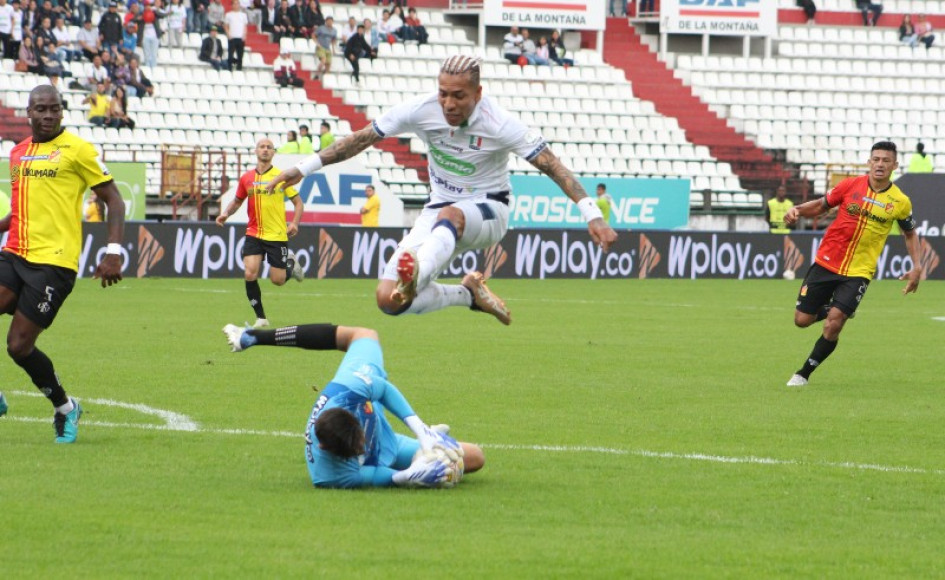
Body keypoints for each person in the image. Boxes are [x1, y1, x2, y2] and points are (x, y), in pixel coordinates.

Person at [267, 55, 617, 325]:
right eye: (443, 94)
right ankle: (468, 295)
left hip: (488, 210)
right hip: (438, 212)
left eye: (459, 96)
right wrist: (303, 168)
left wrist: (592, 214)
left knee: (451, 217)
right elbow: (362, 139)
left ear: (478, 94)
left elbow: (552, 165)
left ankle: (417, 269)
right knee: (389, 301)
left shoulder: (500, 123)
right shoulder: (421, 110)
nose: (449, 104)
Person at [0, 85, 125, 443]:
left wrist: (113, 251)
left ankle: (65, 408)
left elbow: (114, 200)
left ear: (62, 112)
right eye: (41, 109)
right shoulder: (18, 153)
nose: (48, 115)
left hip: (53, 264)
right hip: (14, 253)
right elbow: (18, 211)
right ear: (28, 112)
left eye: (55, 109)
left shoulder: (78, 150)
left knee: (18, 347)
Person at [221, 322, 484, 489]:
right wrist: (409, 475)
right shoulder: (329, 475)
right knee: (459, 464)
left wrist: (421, 430)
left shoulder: (347, 391)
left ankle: (255, 336)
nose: (362, 446)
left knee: (363, 334)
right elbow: (376, 477)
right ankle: (420, 458)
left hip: (380, 426)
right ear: (327, 448)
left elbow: (382, 389)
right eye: (357, 449)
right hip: (382, 456)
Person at [782, 141, 922, 387]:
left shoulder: (900, 201)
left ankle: (803, 374)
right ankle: (841, 308)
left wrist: (917, 266)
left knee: (834, 323)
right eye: (876, 159)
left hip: (859, 271)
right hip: (827, 261)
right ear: (869, 162)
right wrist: (797, 210)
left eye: (885, 160)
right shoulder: (850, 185)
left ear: (894, 165)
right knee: (801, 320)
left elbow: (909, 233)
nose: (880, 164)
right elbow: (821, 205)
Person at [216, 138, 304, 328]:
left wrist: (295, 223)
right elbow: (237, 201)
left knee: (278, 280)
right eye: (262, 147)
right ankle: (261, 318)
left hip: (277, 235)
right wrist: (225, 213)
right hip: (254, 232)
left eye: (269, 147)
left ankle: (291, 263)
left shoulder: (281, 177)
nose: (265, 150)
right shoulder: (246, 178)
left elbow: (298, 203)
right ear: (255, 151)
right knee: (250, 273)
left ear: (273, 153)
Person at [223, 0, 247, 70]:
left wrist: (244, 35)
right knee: (230, 55)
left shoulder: (243, 15)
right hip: (232, 37)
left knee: (240, 56)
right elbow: (226, 26)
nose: (236, 5)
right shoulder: (228, 15)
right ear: (232, 5)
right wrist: (228, 34)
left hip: (240, 37)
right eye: (235, 4)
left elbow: (245, 26)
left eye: (237, 4)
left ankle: (239, 69)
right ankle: (229, 69)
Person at [313, 15, 335, 79]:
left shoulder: (334, 30)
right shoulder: (321, 28)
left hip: (328, 48)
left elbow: (333, 39)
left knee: (328, 63)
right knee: (323, 60)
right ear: (326, 21)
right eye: (328, 21)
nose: (330, 22)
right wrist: (317, 43)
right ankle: (317, 74)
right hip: (321, 47)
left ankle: (326, 77)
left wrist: (333, 48)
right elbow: (313, 35)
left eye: (331, 21)